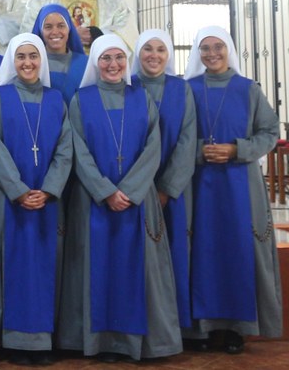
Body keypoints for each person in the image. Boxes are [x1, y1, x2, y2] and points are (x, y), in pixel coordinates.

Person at [57, 36, 180, 362]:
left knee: (138, 271)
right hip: (93, 200)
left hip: (138, 203)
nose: (113, 65)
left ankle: (135, 343)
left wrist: (132, 190)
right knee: (96, 270)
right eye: (105, 59)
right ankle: (100, 342)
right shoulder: (81, 100)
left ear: (127, 62)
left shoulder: (142, 98)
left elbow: (154, 148)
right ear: (95, 63)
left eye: (118, 58)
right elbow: (76, 150)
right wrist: (106, 191)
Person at [183, 26, 282, 353]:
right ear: (197, 53)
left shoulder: (248, 89)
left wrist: (237, 149)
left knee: (238, 250)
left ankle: (237, 328)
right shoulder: (188, 89)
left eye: (218, 47)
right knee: (204, 251)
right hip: (200, 184)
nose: (212, 54)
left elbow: (269, 132)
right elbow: (176, 134)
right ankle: (205, 327)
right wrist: (201, 151)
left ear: (230, 50)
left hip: (240, 185)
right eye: (205, 48)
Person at [0, 34, 73, 365]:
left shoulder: (56, 99)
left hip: (47, 201)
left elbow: (65, 148)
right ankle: (8, 339)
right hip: (9, 200)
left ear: (42, 61)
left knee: (44, 268)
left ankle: (41, 340)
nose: (28, 63)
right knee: (8, 266)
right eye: (21, 57)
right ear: (12, 62)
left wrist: (48, 189)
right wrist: (18, 190)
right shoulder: (1, 98)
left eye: (34, 56)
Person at [130, 29, 197, 339]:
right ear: (137, 54)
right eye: (147, 49)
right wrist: (139, 188)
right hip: (133, 190)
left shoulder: (180, 89)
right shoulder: (127, 86)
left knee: (175, 255)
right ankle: (140, 326)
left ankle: (176, 329)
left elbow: (187, 141)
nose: (153, 55)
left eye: (160, 49)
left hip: (173, 191)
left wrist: (168, 188)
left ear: (168, 55)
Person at [32, 3, 88, 103]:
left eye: (61, 26)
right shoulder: (31, 64)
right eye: (48, 27)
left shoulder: (85, 64)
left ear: (69, 28)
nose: (55, 32)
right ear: (41, 31)